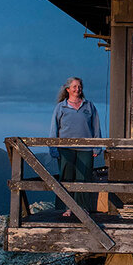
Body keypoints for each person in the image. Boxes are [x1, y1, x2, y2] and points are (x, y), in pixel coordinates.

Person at [49, 77, 101, 216]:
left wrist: (97, 146)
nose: (77, 89)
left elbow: (96, 127)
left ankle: (82, 208)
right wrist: (53, 148)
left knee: (84, 177)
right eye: (74, 87)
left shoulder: (89, 106)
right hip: (65, 148)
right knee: (67, 177)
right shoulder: (61, 107)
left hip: (86, 148)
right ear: (68, 89)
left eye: (79, 86)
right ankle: (67, 208)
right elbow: (54, 128)